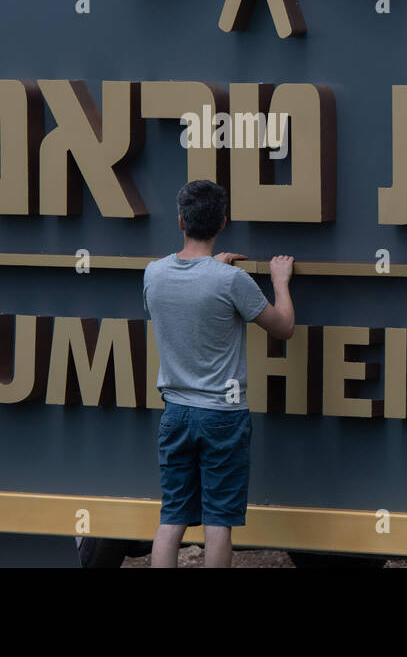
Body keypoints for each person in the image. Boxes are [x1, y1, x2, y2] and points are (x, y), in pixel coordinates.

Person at [143, 179, 295, 567]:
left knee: (171, 517)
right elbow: (283, 327)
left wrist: (215, 270)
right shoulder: (231, 281)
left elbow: (189, 296)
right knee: (218, 521)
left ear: (180, 222)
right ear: (222, 222)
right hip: (223, 417)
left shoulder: (153, 274)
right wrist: (279, 282)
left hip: (175, 412)